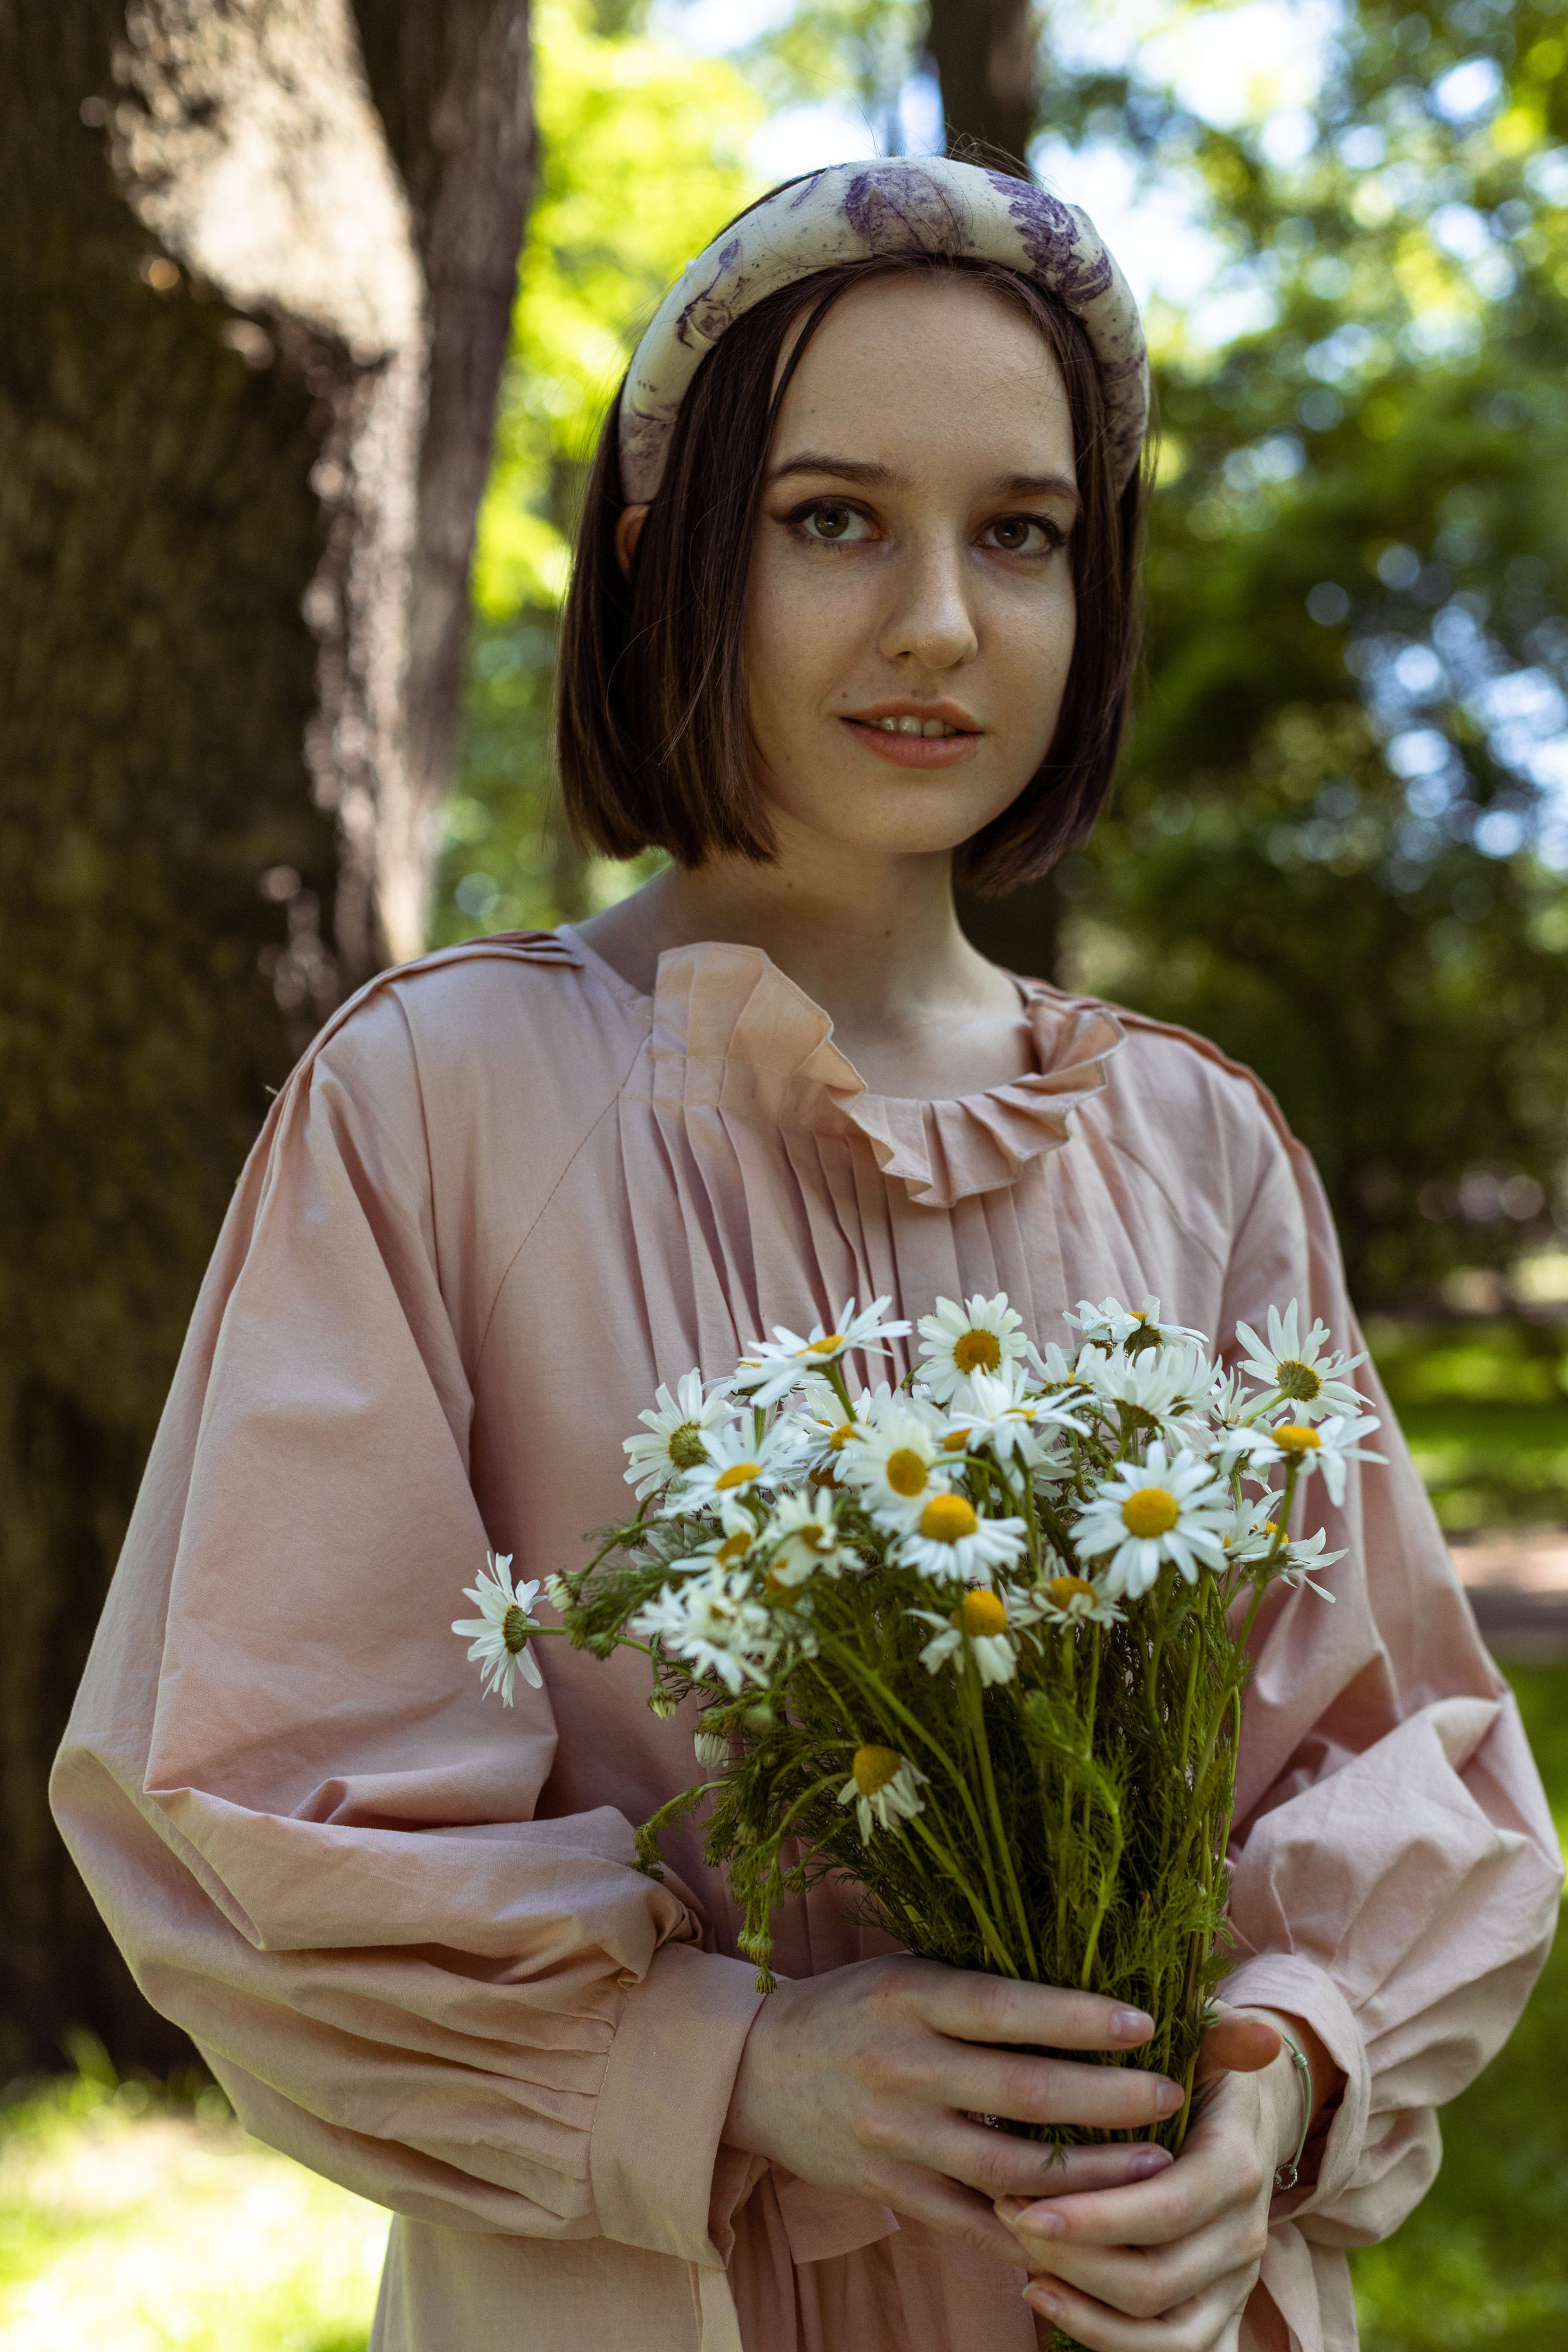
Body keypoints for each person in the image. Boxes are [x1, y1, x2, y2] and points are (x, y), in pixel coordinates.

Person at [52, 158, 1560, 2352]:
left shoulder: (1195, 1146)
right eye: (835, 517)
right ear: (671, 565)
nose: (941, 618)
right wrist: (742, 2072)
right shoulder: (435, 1104)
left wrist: (1281, 2085)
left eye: (1020, 533)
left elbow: (1391, 1752)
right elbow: (260, 1813)